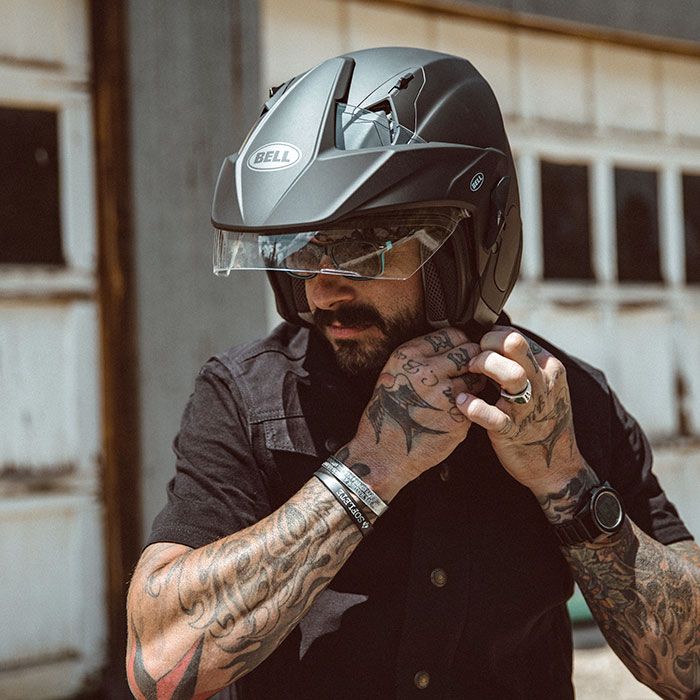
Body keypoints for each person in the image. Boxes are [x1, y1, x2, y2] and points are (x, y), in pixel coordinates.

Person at [126, 47, 699, 699]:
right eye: (300, 252)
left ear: (466, 246)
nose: (321, 291)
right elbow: (157, 663)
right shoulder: (248, 398)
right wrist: (368, 471)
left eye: (359, 250)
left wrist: (564, 477)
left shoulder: (564, 400)